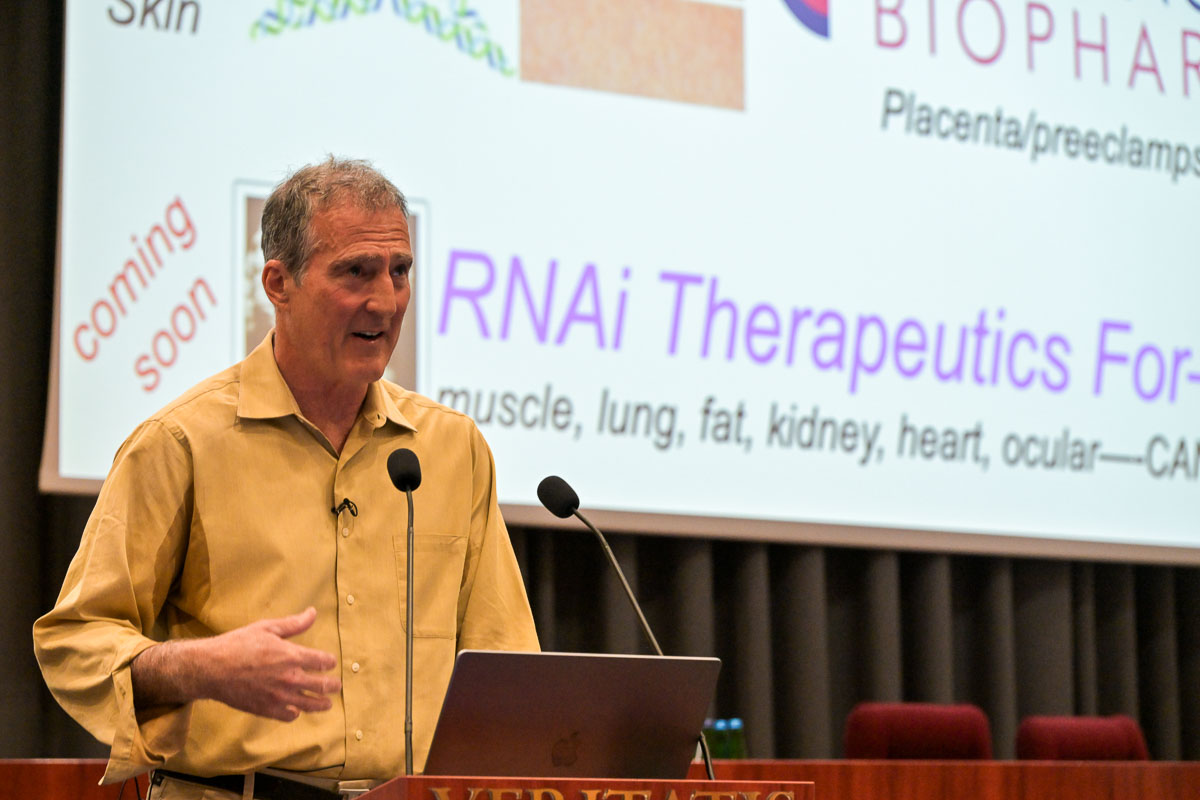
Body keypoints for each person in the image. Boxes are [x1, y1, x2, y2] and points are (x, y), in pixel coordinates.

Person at [33, 158, 539, 797]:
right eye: (356, 271)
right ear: (278, 283)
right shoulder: (182, 442)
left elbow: (504, 666)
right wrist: (196, 668)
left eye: (400, 271)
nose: (385, 301)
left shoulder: (450, 448)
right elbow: (75, 641)